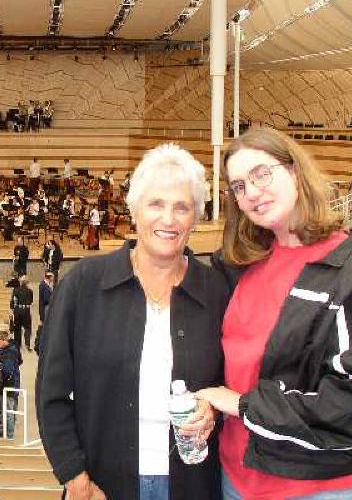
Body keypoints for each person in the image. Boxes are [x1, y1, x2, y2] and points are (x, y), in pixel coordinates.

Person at [192, 127, 352, 499]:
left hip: (318, 487)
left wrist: (241, 404)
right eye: (239, 186)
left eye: (261, 174)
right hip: (237, 476)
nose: (251, 192)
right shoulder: (245, 265)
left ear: (295, 171)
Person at [38, 142, 233, 500]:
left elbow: (231, 384)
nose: (169, 219)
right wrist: (74, 477)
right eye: (156, 204)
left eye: (182, 207)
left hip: (192, 486)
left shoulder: (216, 292)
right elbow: (51, 391)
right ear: (134, 208)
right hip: (101, 485)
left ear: (196, 216)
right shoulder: (85, 283)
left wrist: (212, 410)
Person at [0, 330, 21, 439]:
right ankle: (5, 431)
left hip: (8, 386)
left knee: (7, 412)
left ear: (5, 341)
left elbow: (6, 371)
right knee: (3, 411)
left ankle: (9, 436)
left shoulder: (9, 353)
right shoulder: (4, 351)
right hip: (5, 385)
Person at [10, 276, 33, 351]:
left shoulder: (15, 290)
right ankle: (27, 344)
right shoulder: (30, 291)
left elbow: (13, 301)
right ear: (27, 283)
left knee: (17, 328)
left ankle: (18, 344)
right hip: (26, 310)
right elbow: (31, 301)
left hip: (18, 310)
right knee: (28, 328)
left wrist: (12, 309)